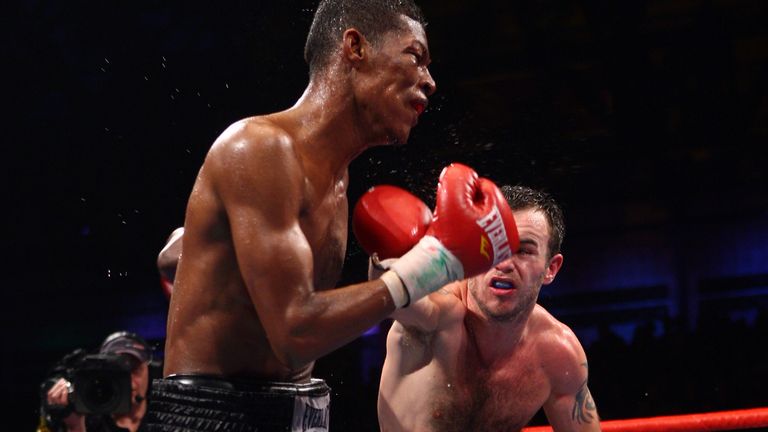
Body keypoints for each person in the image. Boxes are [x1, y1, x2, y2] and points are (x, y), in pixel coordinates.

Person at [144, 0, 518, 430]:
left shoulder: (337, 182)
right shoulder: (262, 148)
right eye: (415, 56)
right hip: (214, 416)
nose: (430, 82)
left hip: (296, 413)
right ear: (355, 47)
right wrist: (429, 268)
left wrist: (201, 241)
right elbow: (294, 334)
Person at [371, 185, 601, 432]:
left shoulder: (558, 354)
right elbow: (389, 296)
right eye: (493, 246)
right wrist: (392, 249)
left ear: (551, 268)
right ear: (472, 252)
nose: (504, 263)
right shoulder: (439, 313)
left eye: (523, 250)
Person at [41, 331, 153, 432]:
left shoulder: (164, 414)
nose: (129, 381)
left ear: (148, 371)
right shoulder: (87, 418)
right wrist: (75, 427)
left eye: (135, 369)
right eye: (118, 371)